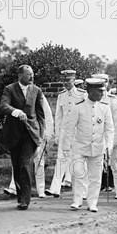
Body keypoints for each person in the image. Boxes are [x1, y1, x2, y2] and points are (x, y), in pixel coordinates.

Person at [61, 78, 114, 212]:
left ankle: (92, 203)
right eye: (99, 91)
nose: (102, 93)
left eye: (103, 91)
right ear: (90, 91)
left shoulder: (105, 108)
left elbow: (109, 129)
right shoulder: (78, 107)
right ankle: (77, 200)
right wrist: (66, 147)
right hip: (79, 147)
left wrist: (108, 146)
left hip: (97, 147)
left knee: (95, 177)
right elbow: (69, 128)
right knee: (78, 173)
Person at [0, 65, 46, 210]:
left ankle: (25, 199)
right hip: (14, 135)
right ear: (20, 76)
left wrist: (41, 137)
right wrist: (16, 112)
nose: (32, 77)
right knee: (17, 167)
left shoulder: (36, 90)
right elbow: (3, 106)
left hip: (30, 134)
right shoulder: (10, 89)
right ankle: (20, 197)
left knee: (25, 165)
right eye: (28, 75)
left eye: (32, 74)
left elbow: (41, 116)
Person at [45, 70, 85, 198]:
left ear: (74, 80)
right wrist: (57, 135)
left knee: (79, 161)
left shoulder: (82, 95)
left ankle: (83, 191)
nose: (66, 83)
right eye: (64, 80)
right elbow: (58, 117)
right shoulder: (61, 95)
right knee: (61, 159)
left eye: (68, 80)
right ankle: (55, 188)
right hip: (65, 133)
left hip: (77, 133)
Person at [4, 96, 54, 197]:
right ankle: (14, 187)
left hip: (37, 134)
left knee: (39, 161)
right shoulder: (17, 95)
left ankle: (41, 190)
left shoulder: (38, 95)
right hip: (22, 134)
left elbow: (47, 116)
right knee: (18, 161)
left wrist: (48, 134)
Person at [92, 73, 117, 199]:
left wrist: (116, 141)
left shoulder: (112, 100)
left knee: (115, 164)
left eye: (103, 83)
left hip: (111, 138)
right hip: (96, 138)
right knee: (95, 166)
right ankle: (94, 191)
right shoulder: (91, 100)